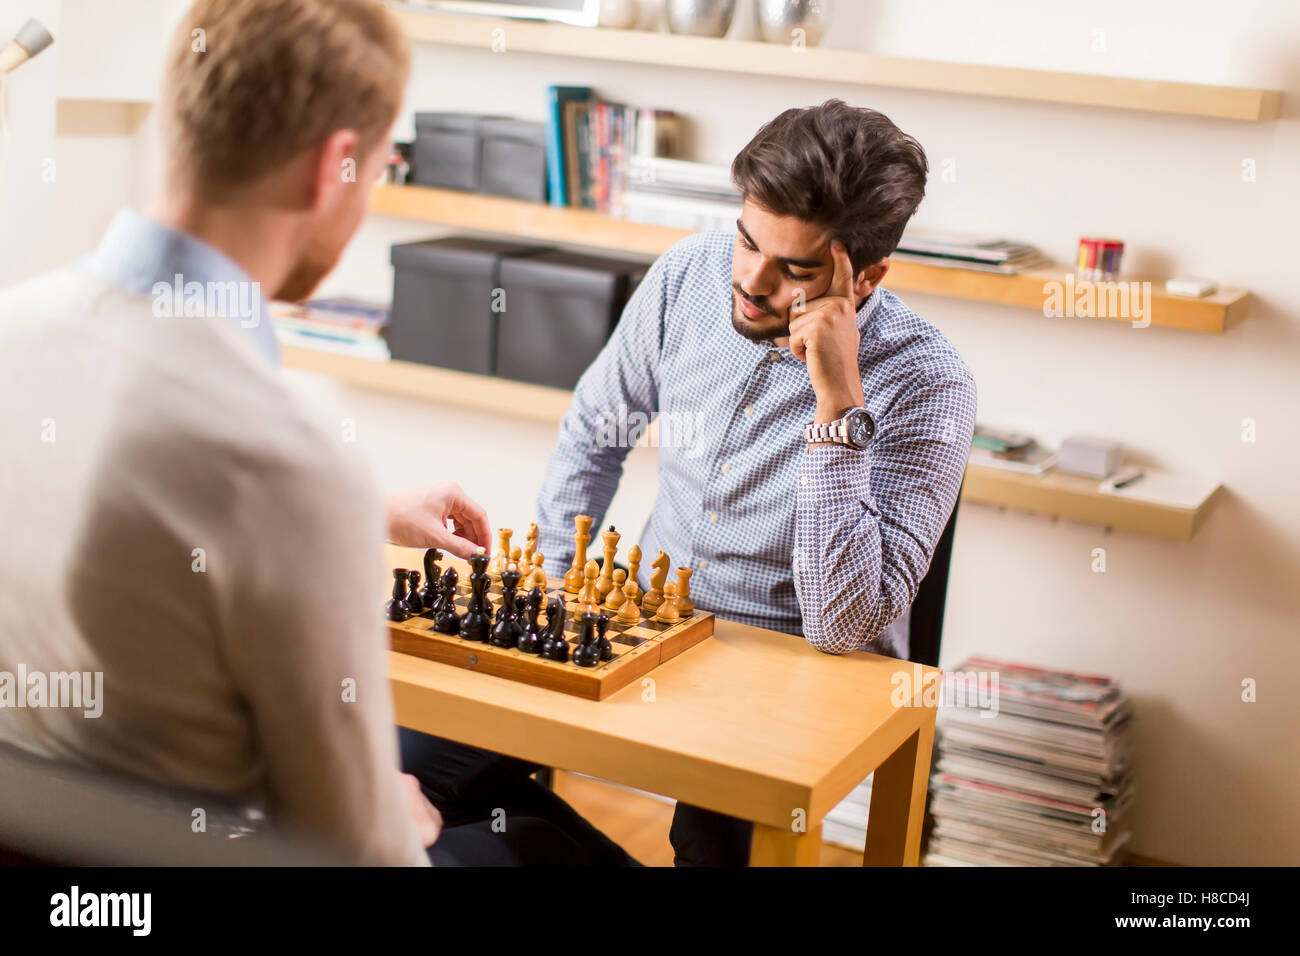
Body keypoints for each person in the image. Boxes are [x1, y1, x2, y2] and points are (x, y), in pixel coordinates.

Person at [0, 0, 623, 866]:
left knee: (487, 788)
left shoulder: (13, 332)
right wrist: (391, 818)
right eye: (375, 172)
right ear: (334, 167)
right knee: (546, 842)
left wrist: (364, 508)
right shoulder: (285, 458)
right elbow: (359, 854)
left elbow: (132, 492)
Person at [406, 101, 978, 865]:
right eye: (747, 239)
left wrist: (838, 408)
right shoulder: (690, 274)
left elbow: (844, 628)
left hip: (787, 677)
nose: (749, 278)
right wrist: (548, 590)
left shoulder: (931, 382)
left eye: (795, 269)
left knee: (718, 845)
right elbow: (595, 429)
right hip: (643, 630)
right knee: (408, 765)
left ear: (865, 275)